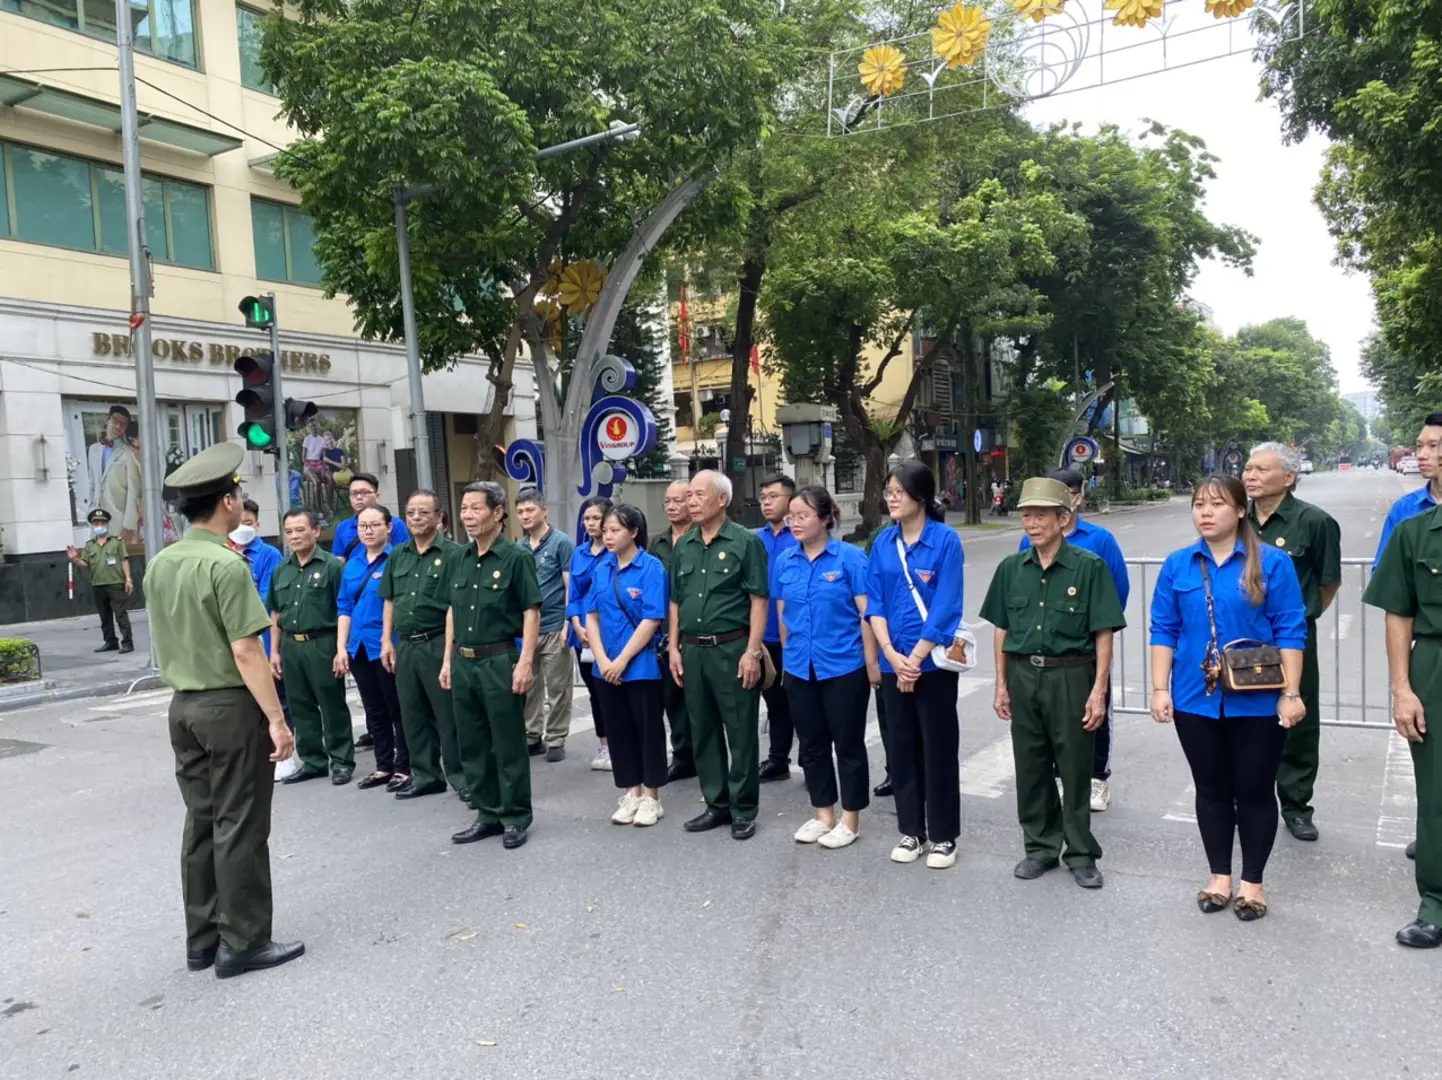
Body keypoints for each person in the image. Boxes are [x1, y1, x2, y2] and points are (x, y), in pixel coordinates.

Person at [144, 441, 302, 979]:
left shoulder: (162, 563)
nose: (241, 499)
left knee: (203, 821)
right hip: (227, 706)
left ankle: (203, 939)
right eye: (237, 492)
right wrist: (277, 720)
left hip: (183, 706)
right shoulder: (226, 565)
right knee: (241, 824)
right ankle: (245, 940)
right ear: (228, 502)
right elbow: (246, 649)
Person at [1149, 474, 1308, 922]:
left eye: (1217, 504)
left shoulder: (1271, 564)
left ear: (1240, 511)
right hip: (1194, 698)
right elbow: (1164, 629)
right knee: (1212, 788)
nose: (1205, 512)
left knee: (1255, 791)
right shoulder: (1178, 564)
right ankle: (1219, 875)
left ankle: (1253, 883)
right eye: (1199, 503)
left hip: (1258, 700)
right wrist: (1160, 688)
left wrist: (1291, 693)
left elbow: (1290, 630)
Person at [984, 478, 1126, 889]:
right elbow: (1001, 630)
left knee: (1076, 766)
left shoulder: (1088, 566)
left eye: (1041, 514)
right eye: (1027, 514)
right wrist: (1000, 683)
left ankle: (1080, 852)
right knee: (1030, 765)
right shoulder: (1012, 568)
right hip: (1024, 674)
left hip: (1071, 674)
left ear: (1063, 519)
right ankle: (1040, 847)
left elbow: (1104, 631)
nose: (1031, 523)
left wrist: (1099, 689)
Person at [867, 461, 966, 869]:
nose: (891, 498)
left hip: (932, 667)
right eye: (888, 492)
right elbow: (875, 600)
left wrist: (917, 658)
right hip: (895, 664)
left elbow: (947, 605)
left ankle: (943, 836)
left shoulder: (945, 541)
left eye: (898, 492)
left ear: (920, 497)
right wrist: (890, 655)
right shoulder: (882, 543)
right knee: (903, 749)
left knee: (938, 749)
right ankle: (912, 831)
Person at [1243, 442, 1342, 843]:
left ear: (1288, 477)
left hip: (1292, 641)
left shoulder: (1315, 522)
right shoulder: (1236, 518)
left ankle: (1297, 806)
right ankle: (1246, 798)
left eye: (1261, 470)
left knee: (1297, 721)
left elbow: (1328, 582)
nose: (1250, 475)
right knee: (1245, 720)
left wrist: (1300, 619)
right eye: (1248, 468)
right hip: (1242, 640)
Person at [1019, 468, 1130, 812]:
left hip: (1087, 647)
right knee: (1048, 716)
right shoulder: (1030, 538)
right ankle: (1056, 775)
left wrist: (1093, 628)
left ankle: (1097, 778)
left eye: (1065, 493)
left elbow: (1118, 594)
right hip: (1045, 648)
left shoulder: (1100, 540)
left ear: (1077, 498)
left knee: (1095, 711)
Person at [668, 470, 769, 840]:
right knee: (703, 728)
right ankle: (716, 803)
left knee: (740, 729)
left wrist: (752, 652)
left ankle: (744, 808)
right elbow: (676, 600)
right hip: (693, 650)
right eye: (688, 495)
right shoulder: (685, 545)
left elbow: (759, 600)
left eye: (698, 495)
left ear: (721, 500)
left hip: (732, 647)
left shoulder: (745, 543)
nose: (690, 502)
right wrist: (675, 648)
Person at [439, 482, 541, 849]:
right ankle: (486, 812)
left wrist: (525, 661)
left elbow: (531, 610)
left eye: (475, 508)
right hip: (464, 660)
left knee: (507, 741)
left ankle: (514, 815)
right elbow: (452, 607)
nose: (467, 515)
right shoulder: (458, 557)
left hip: (499, 659)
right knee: (474, 741)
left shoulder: (516, 557)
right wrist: (448, 658)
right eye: (464, 508)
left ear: (498, 512)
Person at [1364, 488, 1442, 947]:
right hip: (1434, 664)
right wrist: (1402, 689)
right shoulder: (1414, 534)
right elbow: (1399, 615)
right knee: (1436, 793)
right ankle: (1435, 904)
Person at [775, 485, 873, 850]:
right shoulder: (786, 560)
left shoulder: (849, 559)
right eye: (791, 517)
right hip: (800, 667)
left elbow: (866, 615)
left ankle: (850, 819)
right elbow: (784, 614)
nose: (794, 523)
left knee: (847, 744)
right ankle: (823, 814)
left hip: (844, 666)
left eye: (802, 516)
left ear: (825, 518)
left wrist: (871, 663)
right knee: (812, 745)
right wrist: (788, 657)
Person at [1374, 413, 1442, 862]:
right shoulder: (1407, 516)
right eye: (1420, 445)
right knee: (1432, 770)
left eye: (1433, 446)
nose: (1421, 454)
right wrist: (1402, 687)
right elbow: (1393, 592)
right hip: (1431, 654)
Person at [585, 504, 670, 827]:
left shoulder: (650, 568)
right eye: (605, 530)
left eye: (615, 530)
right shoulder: (601, 568)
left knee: (647, 730)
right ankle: (631, 792)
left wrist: (621, 660)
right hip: (605, 666)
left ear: (634, 532)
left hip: (641, 665)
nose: (608, 535)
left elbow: (652, 618)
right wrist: (604, 659)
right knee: (619, 731)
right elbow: (591, 615)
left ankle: (651, 797)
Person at [380, 490, 466, 801]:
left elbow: (456, 606)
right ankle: (426, 775)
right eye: (411, 512)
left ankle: (462, 777)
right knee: (412, 713)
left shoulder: (455, 554)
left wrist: (447, 656)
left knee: (448, 715)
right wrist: (386, 642)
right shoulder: (398, 554)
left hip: (438, 641)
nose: (416, 518)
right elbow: (389, 599)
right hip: (406, 644)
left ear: (439, 517)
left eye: (423, 512)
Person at [268, 509, 355, 785]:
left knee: (331, 704)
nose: (294, 536)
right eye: (289, 531)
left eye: (300, 530)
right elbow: (275, 613)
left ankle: (341, 760)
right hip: (292, 645)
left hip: (322, 642)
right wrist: (274, 651)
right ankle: (313, 760)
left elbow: (344, 608)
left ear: (316, 531)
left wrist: (341, 649)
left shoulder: (332, 567)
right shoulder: (282, 570)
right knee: (299, 704)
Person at [337, 505, 411, 792]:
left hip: (385, 646)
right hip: (358, 648)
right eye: (362, 526)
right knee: (373, 710)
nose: (368, 531)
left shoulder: (397, 560)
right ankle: (384, 766)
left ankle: (404, 767)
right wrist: (341, 647)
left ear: (389, 527)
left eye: (374, 525)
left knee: (397, 708)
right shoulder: (353, 565)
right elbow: (343, 606)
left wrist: (389, 642)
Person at [230, 499, 296, 782]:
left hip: (263, 634)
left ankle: (287, 755)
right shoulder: (222, 552)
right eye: (238, 524)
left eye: (248, 523)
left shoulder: (268, 554)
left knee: (277, 698)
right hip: (232, 638)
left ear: (257, 524)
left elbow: (269, 599)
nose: (243, 529)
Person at [515, 488, 576, 762]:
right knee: (529, 685)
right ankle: (531, 735)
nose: (525, 516)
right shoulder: (519, 547)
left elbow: (569, 586)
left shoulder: (561, 543)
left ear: (544, 510)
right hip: (527, 629)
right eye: (520, 512)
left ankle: (556, 738)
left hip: (554, 625)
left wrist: (567, 623)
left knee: (558, 685)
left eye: (530, 510)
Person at [648, 480, 697, 781]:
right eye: (667, 501)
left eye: (677, 501)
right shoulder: (658, 543)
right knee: (672, 698)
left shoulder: (700, 537)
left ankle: (707, 755)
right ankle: (683, 755)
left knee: (700, 699)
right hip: (665, 631)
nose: (671, 506)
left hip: (696, 629)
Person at [755, 473, 799, 782]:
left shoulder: (799, 534)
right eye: (764, 498)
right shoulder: (754, 539)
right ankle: (778, 759)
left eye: (773, 497)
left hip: (796, 635)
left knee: (803, 704)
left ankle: (812, 760)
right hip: (764, 634)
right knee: (774, 702)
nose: (767, 503)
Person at [568, 496, 613, 770]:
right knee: (595, 691)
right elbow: (573, 594)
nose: (591, 523)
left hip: (610, 632)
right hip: (582, 634)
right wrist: (575, 624)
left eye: (596, 518)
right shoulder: (579, 553)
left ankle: (624, 744)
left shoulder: (616, 550)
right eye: (587, 518)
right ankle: (604, 745)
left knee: (613, 689)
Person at [66, 507, 134, 653]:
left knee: (120, 614)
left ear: (107, 524)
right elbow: (85, 564)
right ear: (93, 526)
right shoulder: (89, 546)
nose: (99, 526)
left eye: (102, 523)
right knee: (105, 616)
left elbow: (124, 561)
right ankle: (110, 642)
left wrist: (128, 579)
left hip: (116, 583)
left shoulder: (116, 542)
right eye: (96, 524)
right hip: (98, 584)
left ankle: (127, 642)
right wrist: (75, 559)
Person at [86, 404, 141, 544]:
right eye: (115, 421)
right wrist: (91, 510)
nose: (118, 426)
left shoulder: (129, 452)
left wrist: (129, 526)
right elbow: (93, 484)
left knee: (119, 560)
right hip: (98, 519)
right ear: (108, 420)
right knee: (99, 558)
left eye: (122, 424)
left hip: (119, 520)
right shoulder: (94, 450)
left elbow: (133, 490)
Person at [332, 472, 411, 563]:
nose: (359, 497)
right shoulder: (343, 527)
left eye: (364, 492)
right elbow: (339, 561)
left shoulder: (395, 524)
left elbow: (403, 559)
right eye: (354, 493)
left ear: (377, 497)